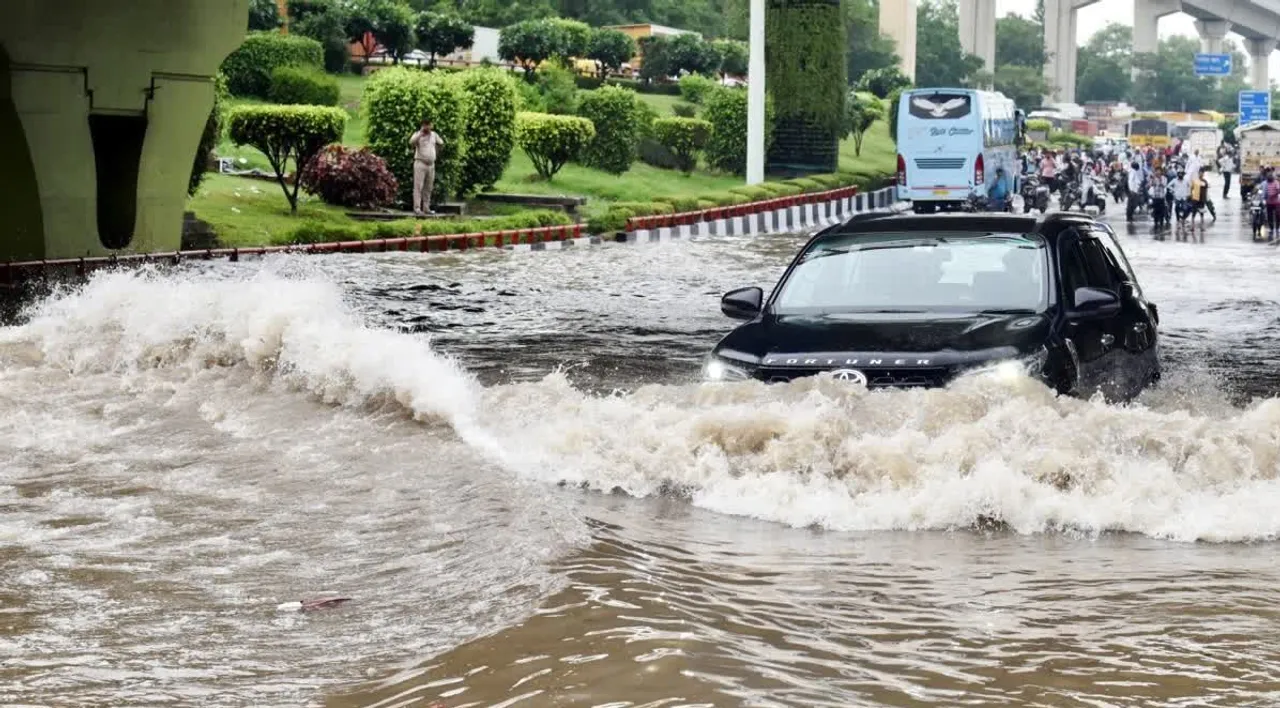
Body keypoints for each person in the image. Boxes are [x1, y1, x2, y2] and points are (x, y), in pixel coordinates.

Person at [409, 119, 445, 217]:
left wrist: (436, 153)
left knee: (428, 187)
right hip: (420, 163)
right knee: (418, 187)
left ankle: (426, 208)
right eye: (426, 125)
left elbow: (441, 143)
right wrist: (420, 134)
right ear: (423, 125)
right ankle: (417, 208)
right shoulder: (417, 134)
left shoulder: (434, 135)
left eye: (430, 125)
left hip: (431, 164)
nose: (428, 127)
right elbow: (411, 142)